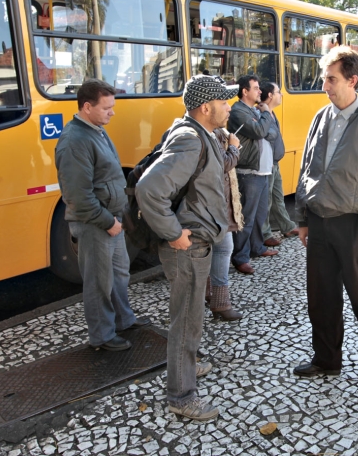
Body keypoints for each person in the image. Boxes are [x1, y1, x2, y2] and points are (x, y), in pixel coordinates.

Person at [136, 74, 238, 421]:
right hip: (188, 245)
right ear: (206, 107)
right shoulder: (190, 139)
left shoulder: (201, 135)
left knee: (191, 318)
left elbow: (209, 173)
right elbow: (149, 190)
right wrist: (173, 232)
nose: (229, 106)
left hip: (197, 242)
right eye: (224, 102)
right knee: (186, 321)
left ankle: (188, 366)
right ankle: (181, 397)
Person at [293, 46, 358, 384]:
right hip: (320, 223)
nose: (325, 86)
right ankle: (327, 359)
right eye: (325, 78)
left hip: (351, 223)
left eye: (331, 79)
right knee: (321, 297)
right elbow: (306, 169)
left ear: (352, 80)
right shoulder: (320, 118)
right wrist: (304, 219)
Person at [54, 79, 151, 352]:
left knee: (119, 274)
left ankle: (123, 320)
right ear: (87, 107)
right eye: (107, 107)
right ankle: (102, 336)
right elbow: (78, 196)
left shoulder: (95, 129)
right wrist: (108, 222)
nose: (113, 112)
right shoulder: (74, 141)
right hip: (97, 224)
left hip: (111, 219)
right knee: (99, 283)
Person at [227, 75, 278, 275]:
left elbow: (271, 133)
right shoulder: (239, 111)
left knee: (259, 215)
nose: (260, 92)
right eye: (256, 88)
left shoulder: (254, 111)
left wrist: (264, 123)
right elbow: (259, 131)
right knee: (246, 217)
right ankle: (240, 257)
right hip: (248, 171)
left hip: (263, 170)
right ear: (245, 91)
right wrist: (265, 114)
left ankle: (257, 247)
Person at [207, 125, 244, 321]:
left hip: (217, 204)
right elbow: (224, 163)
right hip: (214, 206)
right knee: (223, 249)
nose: (229, 107)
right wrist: (234, 147)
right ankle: (221, 303)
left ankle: (210, 294)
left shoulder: (212, 132)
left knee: (214, 250)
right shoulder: (209, 135)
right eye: (223, 103)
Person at [260, 82, 299, 246]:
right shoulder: (263, 114)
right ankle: (264, 233)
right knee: (267, 200)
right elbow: (268, 135)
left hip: (274, 163)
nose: (281, 95)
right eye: (278, 92)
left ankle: (287, 226)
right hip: (267, 163)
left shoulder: (271, 113)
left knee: (278, 197)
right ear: (270, 95)